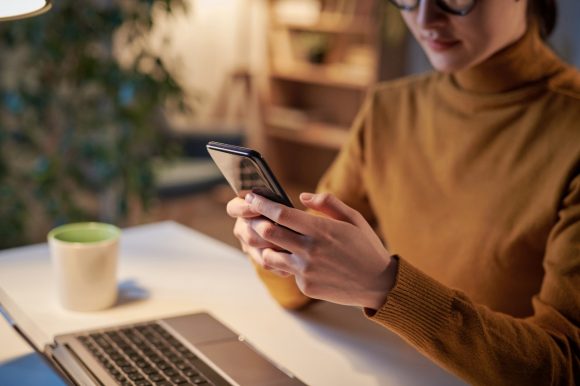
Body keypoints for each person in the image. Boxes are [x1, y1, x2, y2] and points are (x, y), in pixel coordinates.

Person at [227, 0, 580, 384]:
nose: (425, 18)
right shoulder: (388, 109)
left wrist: (384, 286)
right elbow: (298, 293)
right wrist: (276, 250)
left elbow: (564, 366)